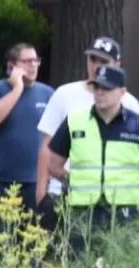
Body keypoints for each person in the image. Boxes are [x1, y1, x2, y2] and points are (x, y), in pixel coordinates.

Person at [0, 42, 54, 268]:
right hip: (1, 184)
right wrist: (17, 88)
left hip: (35, 185)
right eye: (27, 61)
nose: (33, 65)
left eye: (36, 60)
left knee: (31, 255)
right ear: (12, 66)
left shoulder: (47, 94)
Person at [46, 65, 139, 254]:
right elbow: (53, 165)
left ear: (122, 92)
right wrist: (78, 182)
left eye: (106, 88)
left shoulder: (136, 124)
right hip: (82, 214)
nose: (99, 92)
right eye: (96, 87)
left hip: (125, 214)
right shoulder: (74, 120)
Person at [36, 36, 139, 208]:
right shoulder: (64, 94)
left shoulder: (131, 104)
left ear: (118, 64)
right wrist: (41, 193)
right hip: (66, 194)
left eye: (104, 61)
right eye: (92, 59)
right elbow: (47, 150)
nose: (96, 65)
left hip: (121, 205)